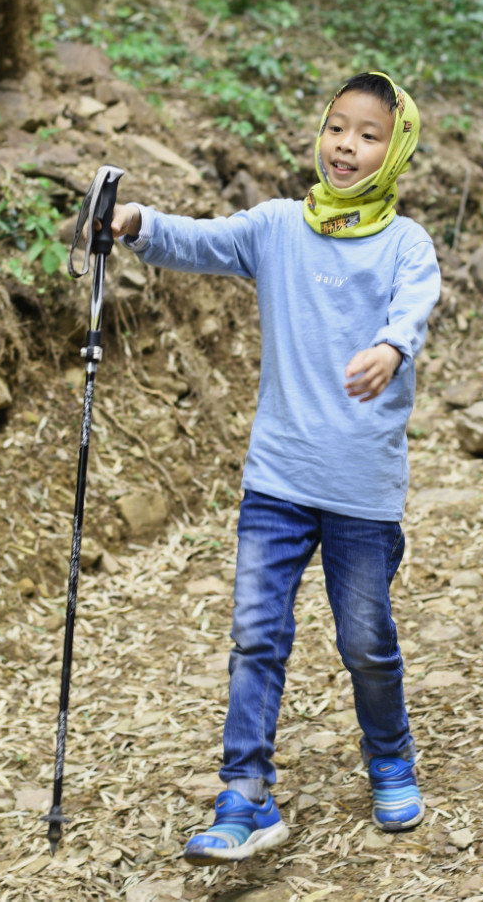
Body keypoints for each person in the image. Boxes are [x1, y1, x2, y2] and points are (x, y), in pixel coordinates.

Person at [108, 71, 441, 865]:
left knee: (366, 641)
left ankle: (390, 756)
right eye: (337, 127)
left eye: (368, 135)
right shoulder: (279, 226)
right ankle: (245, 794)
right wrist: (138, 222)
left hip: (361, 487)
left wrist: (391, 348)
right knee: (257, 636)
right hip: (278, 480)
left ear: (395, 150)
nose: (346, 146)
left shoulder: (407, 244)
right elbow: (202, 240)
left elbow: (413, 308)